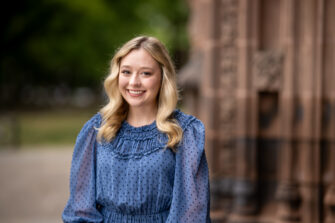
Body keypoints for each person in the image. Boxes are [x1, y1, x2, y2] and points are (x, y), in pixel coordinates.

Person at [62, 36, 211, 223]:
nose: (134, 82)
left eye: (146, 73)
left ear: (163, 77)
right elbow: (81, 208)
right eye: (126, 72)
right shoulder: (96, 130)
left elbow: (191, 212)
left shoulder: (184, 133)